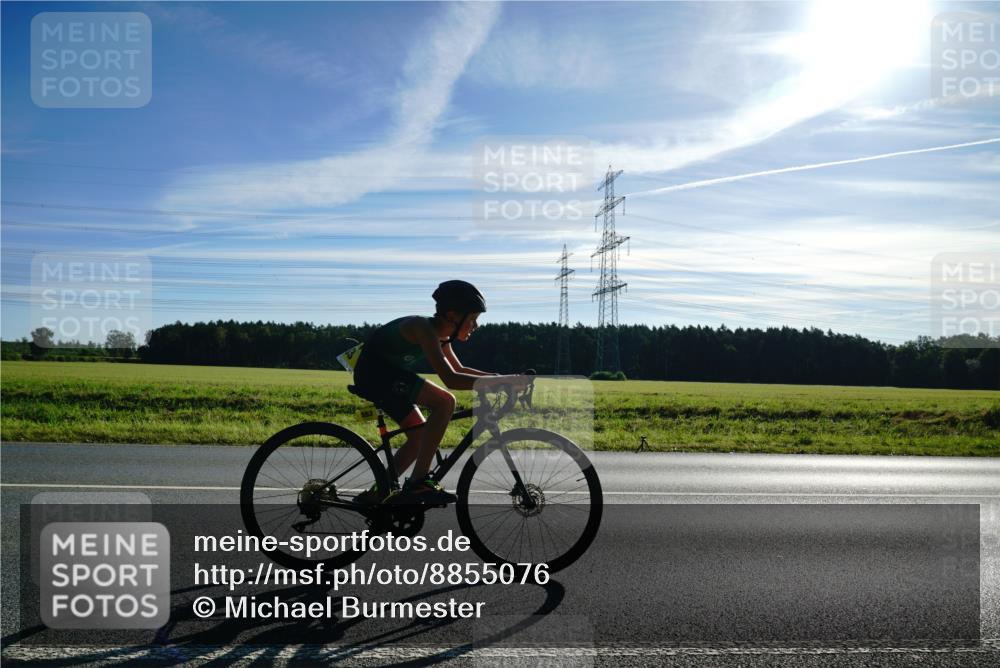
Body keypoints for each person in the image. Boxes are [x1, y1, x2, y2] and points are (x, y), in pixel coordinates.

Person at [352, 280, 529, 505]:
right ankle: (419, 482)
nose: (476, 325)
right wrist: (502, 382)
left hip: (389, 376)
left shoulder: (443, 336)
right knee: (445, 402)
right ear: (452, 316)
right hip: (376, 375)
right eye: (473, 319)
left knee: (419, 438)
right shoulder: (422, 328)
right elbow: (450, 379)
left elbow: (460, 369)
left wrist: (501, 378)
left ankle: (379, 493)